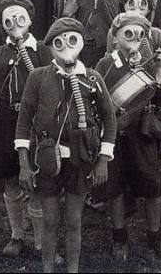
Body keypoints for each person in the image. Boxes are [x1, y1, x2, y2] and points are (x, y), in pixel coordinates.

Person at [15, 18, 117, 274]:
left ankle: (73, 269)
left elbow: (110, 119)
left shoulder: (92, 78)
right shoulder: (38, 77)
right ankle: (47, 269)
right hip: (47, 159)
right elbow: (24, 121)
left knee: (73, 221)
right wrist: (24, 164)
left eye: (72, 40)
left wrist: (103, 160)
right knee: (49, 221)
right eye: (59, 43)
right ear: (51, 47)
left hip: (80, 160)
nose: (66, 47)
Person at [95, 13, 161, 262]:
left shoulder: (149, 63)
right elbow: (97, 101)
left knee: (153, 186)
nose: (134, 39)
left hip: (143, 135)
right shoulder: (105, 64)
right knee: (115, 188)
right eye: (128, 34)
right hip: (116, 137)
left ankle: (155, 237)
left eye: (140, 34)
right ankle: (119, 238)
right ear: (115, 37)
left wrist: (159, 69)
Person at [0, 0, 52, 256]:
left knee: (37, 182)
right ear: (2, 24)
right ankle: (17, 235)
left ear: (30, 20)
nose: (15, 24)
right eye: (8, 20)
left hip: (35, 123)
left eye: (20, 18)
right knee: (11, 179)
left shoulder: (43, 50)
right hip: (6, 123)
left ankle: (42, 242)